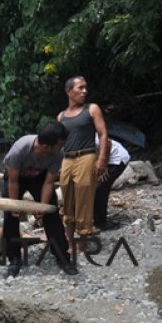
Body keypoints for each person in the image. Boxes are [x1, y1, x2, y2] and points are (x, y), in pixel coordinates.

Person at [3, 121, 77, 277]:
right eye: (60, 144)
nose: (62, 147)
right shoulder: (19, 150)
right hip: (16, 178)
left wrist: (42, 207)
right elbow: (13, 181)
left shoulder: (57, 154)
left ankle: (62, 257)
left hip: (40, 178)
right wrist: (15, 205)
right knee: (10, 214)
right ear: (46, 146)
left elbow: (49, 181)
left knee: (51, 211)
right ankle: (14, 258)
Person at [57, 76, 110, 249]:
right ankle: (69, 241)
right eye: (80, 88)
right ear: (69, 91)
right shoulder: (61, 116)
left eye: (85, 88)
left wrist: (101, 159)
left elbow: (103, 134)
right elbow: (59, 143)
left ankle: (83, 241)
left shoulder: (92, 109)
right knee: (68, 199)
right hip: (67, 159)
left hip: (86, 157)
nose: (84, 91)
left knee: (84, 199)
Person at [94, 136, 131, 231]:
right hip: (106, 158)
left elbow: (107, 143)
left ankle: (101, 222)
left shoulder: (87, 136)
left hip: (116, 158)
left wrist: (103, 164)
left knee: (101, 187)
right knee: (95, 186)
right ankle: (96, 216)